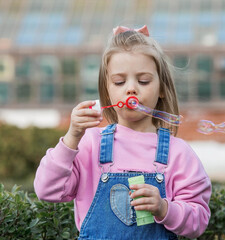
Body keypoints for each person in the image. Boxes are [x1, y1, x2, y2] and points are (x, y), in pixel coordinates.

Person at [34, 25, 211, 240]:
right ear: (107, 90)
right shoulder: (90, 144)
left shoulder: (178, 153)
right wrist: (72, 137)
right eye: (119, 81)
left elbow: (198, 221)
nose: (131, 88)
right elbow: (46, 190)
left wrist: (165, 209)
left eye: (143, 80)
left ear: (162, 88)